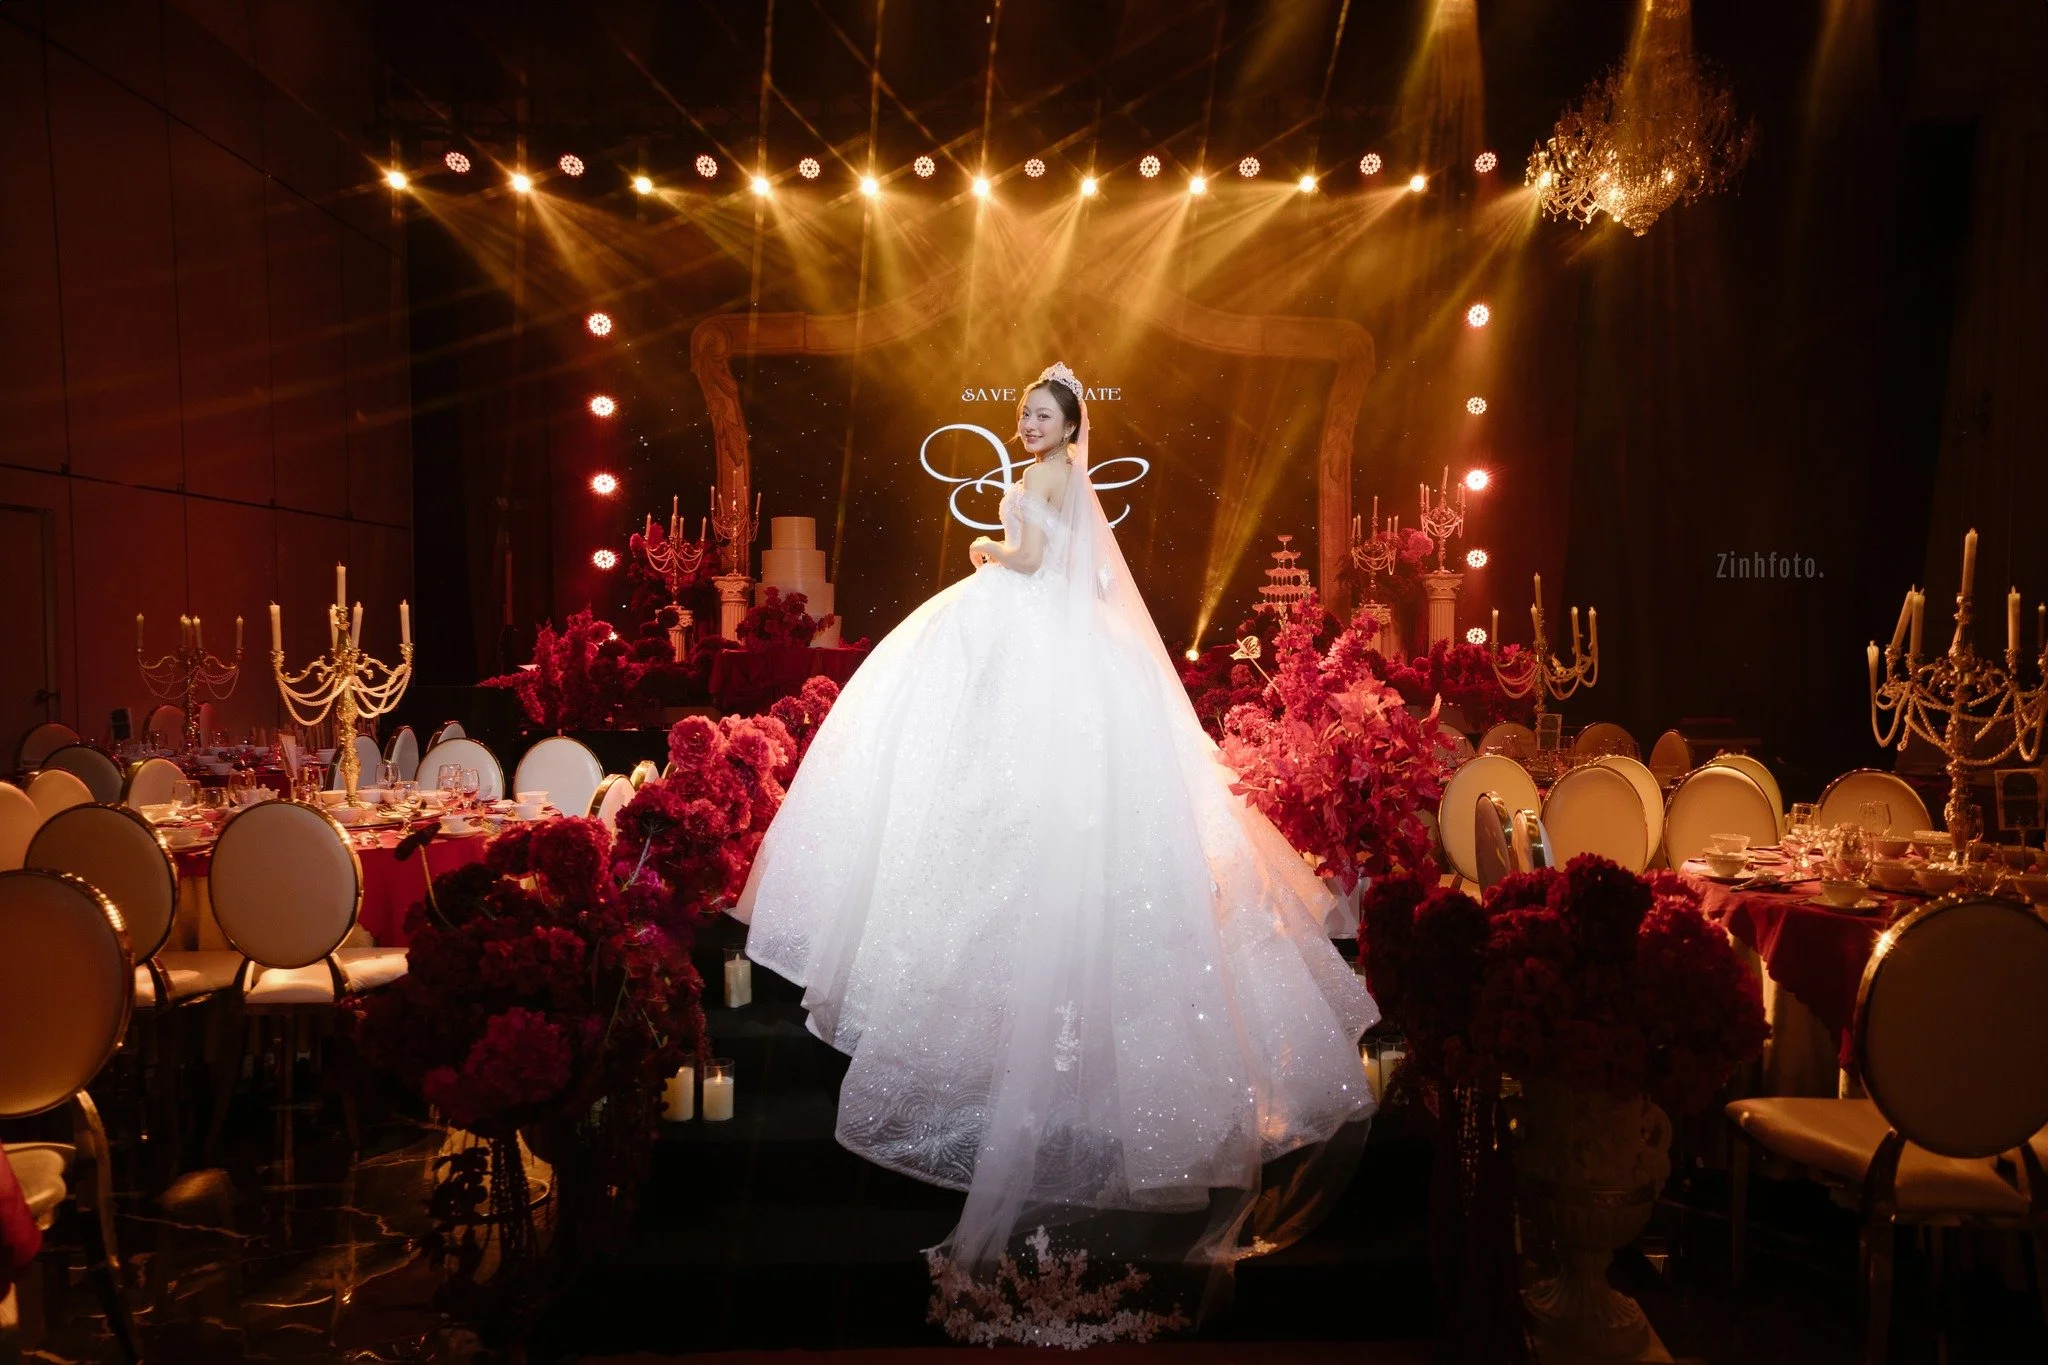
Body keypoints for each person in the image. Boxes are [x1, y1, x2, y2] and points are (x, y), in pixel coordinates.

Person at [733, 362, 1376, 1344]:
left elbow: (1031, 564)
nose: (1030, 426)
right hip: (1071, 654)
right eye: (1026, 413)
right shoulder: (1068, 479)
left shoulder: (1039, 483)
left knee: (986, 795)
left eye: (1042, 414)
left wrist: (986, 549)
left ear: (1065, 425)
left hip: (1028, 633)